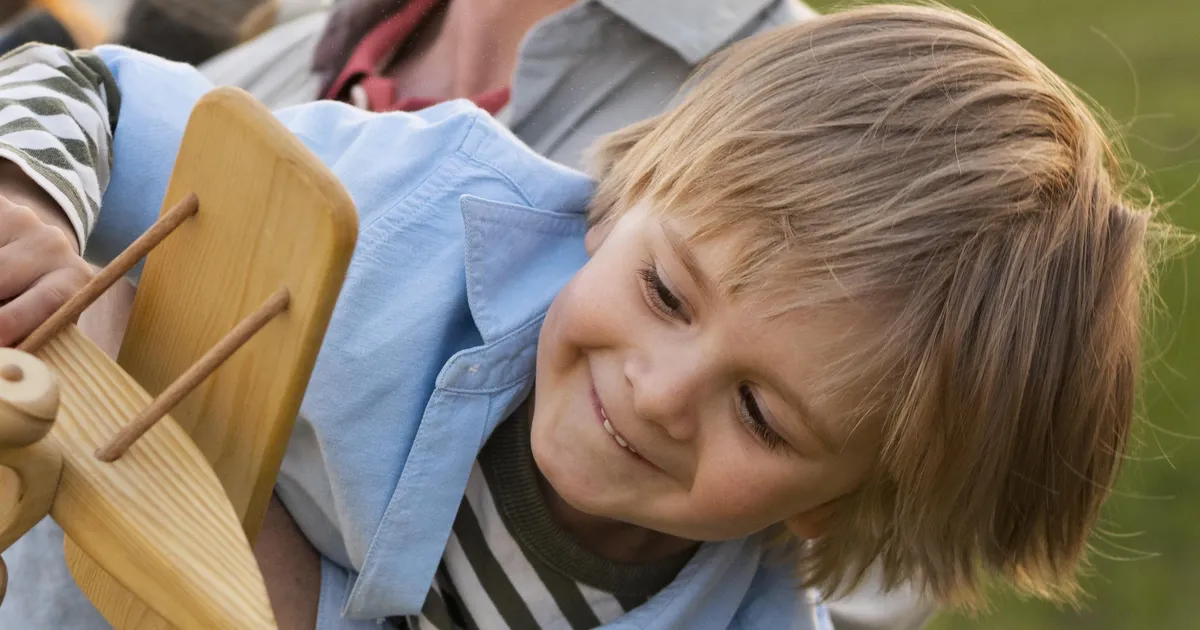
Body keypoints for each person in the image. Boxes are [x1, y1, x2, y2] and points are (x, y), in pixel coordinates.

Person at [0, 3, 1167, 629]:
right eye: (666, 294)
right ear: (621, 198)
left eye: (762, 415)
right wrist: (32, 204)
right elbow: (88, 83)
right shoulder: (416, 207)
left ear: (834, 503)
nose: (657, 393)